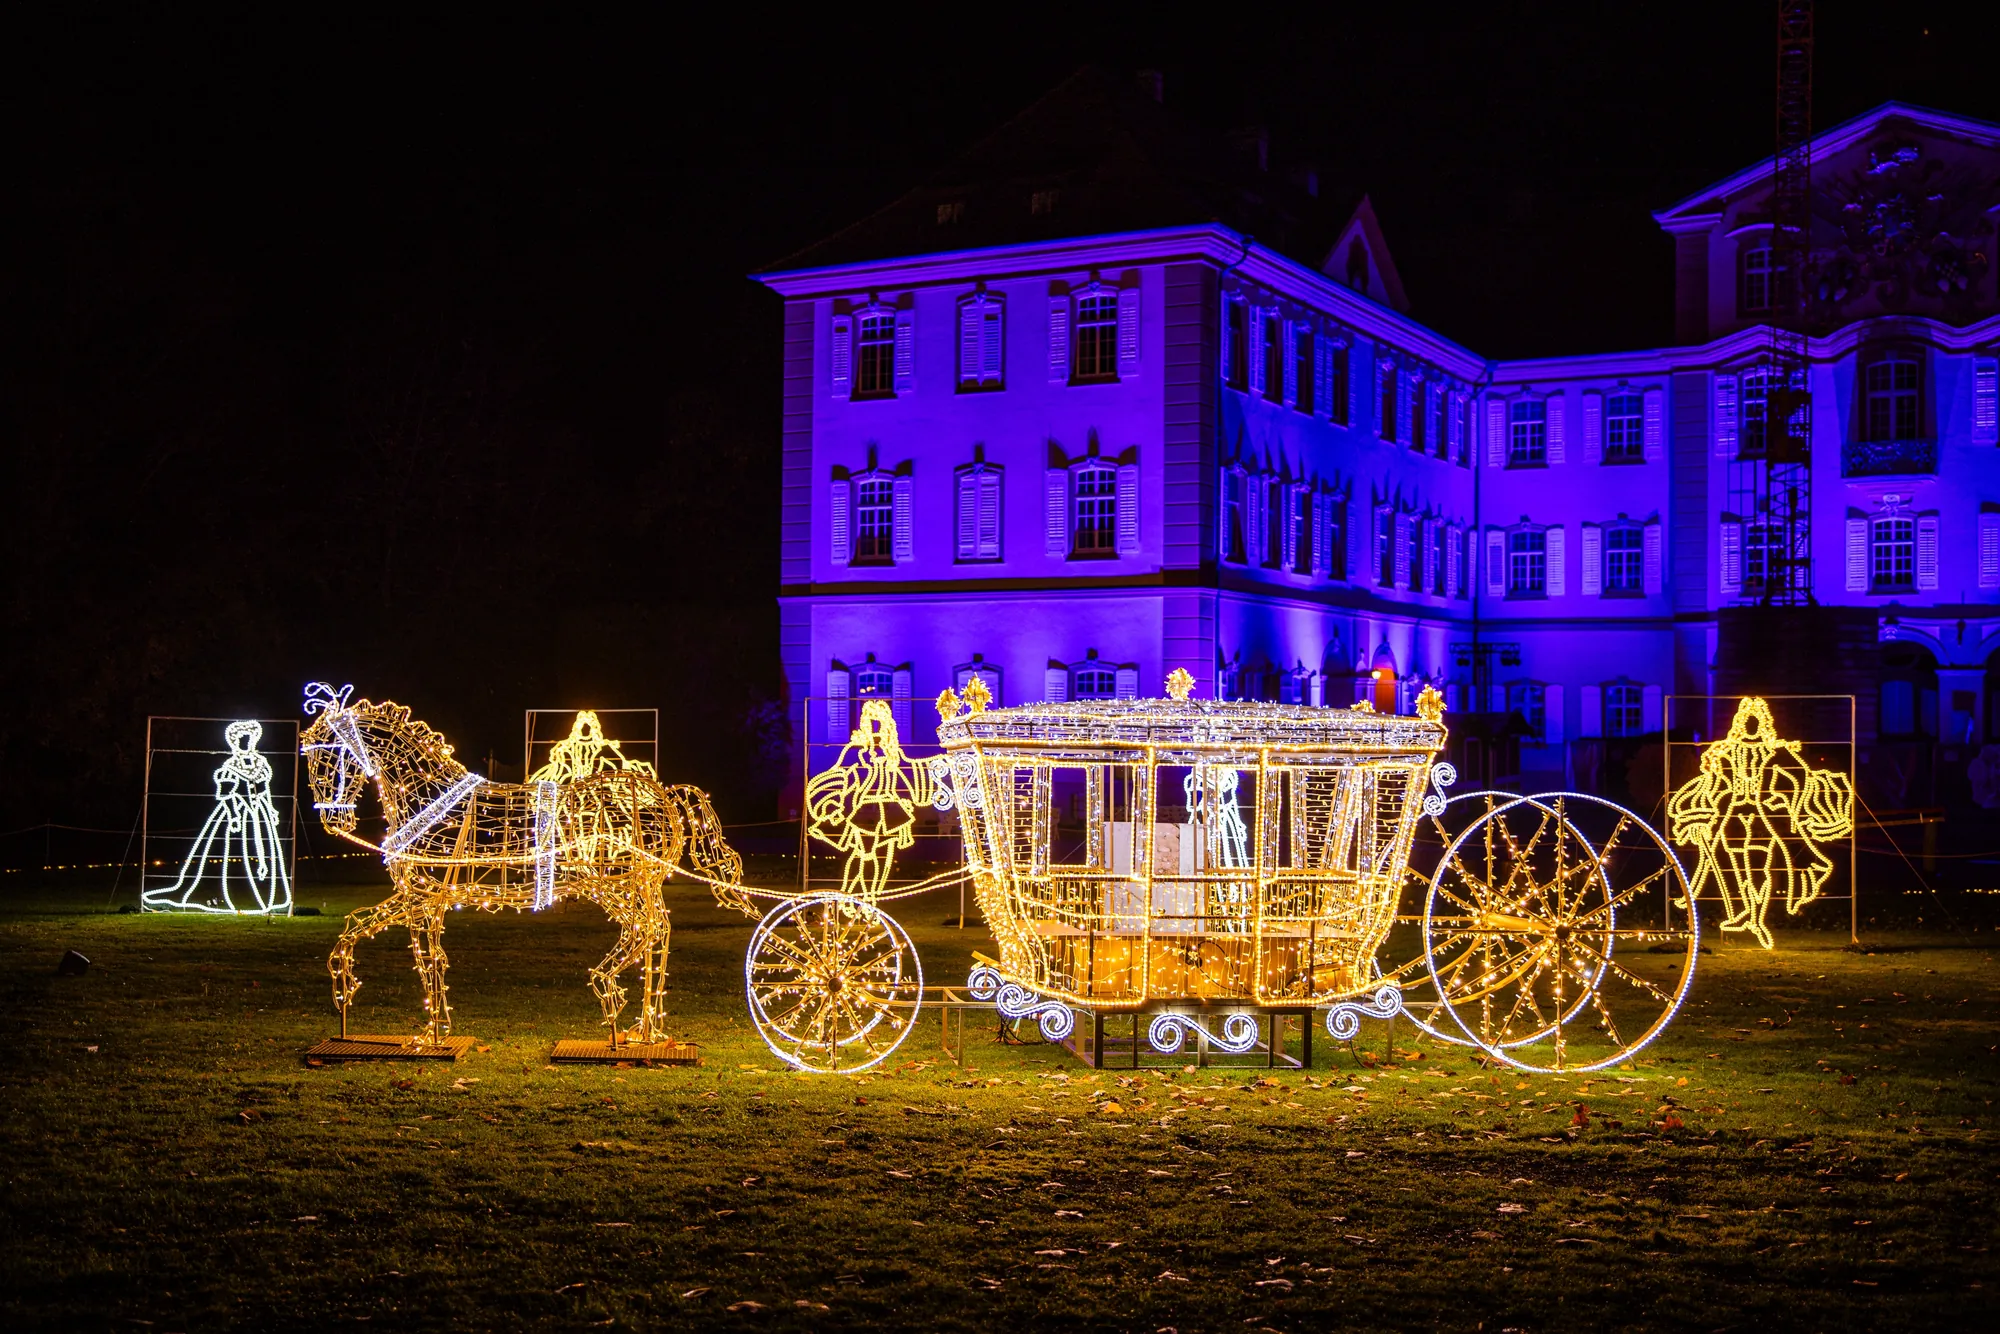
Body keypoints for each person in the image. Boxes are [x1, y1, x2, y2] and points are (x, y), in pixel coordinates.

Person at [1668, 697, 1852, 949]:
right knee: (1736, 867)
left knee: (1758, 866)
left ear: (1763, 721)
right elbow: (1711, 782)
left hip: (1760, 816)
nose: (1751, 724)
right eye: (1747, 719)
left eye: (1756, 719)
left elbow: (1800, 777)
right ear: (1740, 721)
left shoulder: (1776, 750)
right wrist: (1701, 808)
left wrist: (1793, 807)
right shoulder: (1725, 750)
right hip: (1731, 815)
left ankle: (1755, 916)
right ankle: (1746, 913)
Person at [145, 720, 292, 914]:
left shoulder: (261, 762)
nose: (245, 743)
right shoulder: (230, 766)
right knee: (231, 848)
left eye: (248, 739)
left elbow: (265, 789)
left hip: (259, 813)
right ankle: (232, 893)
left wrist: (271, 809)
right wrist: (233, 816)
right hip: (237, 812)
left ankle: (270, 897)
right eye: (241, 740)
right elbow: (227, 793)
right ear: (234, 742)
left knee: (264, 848)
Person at [805, 700, 934, 901]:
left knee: (882, 856)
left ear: (886, 725)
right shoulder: (856, 751)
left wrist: (915, 790)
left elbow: (906, 775)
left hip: (892, 811)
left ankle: (862, 897)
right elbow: (838, 776)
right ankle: (864, 899)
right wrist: (834, 805)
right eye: (871, 723)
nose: (876, 728)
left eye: (880, 723)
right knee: (865, 855)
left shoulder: (894, 753)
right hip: (866, 810)